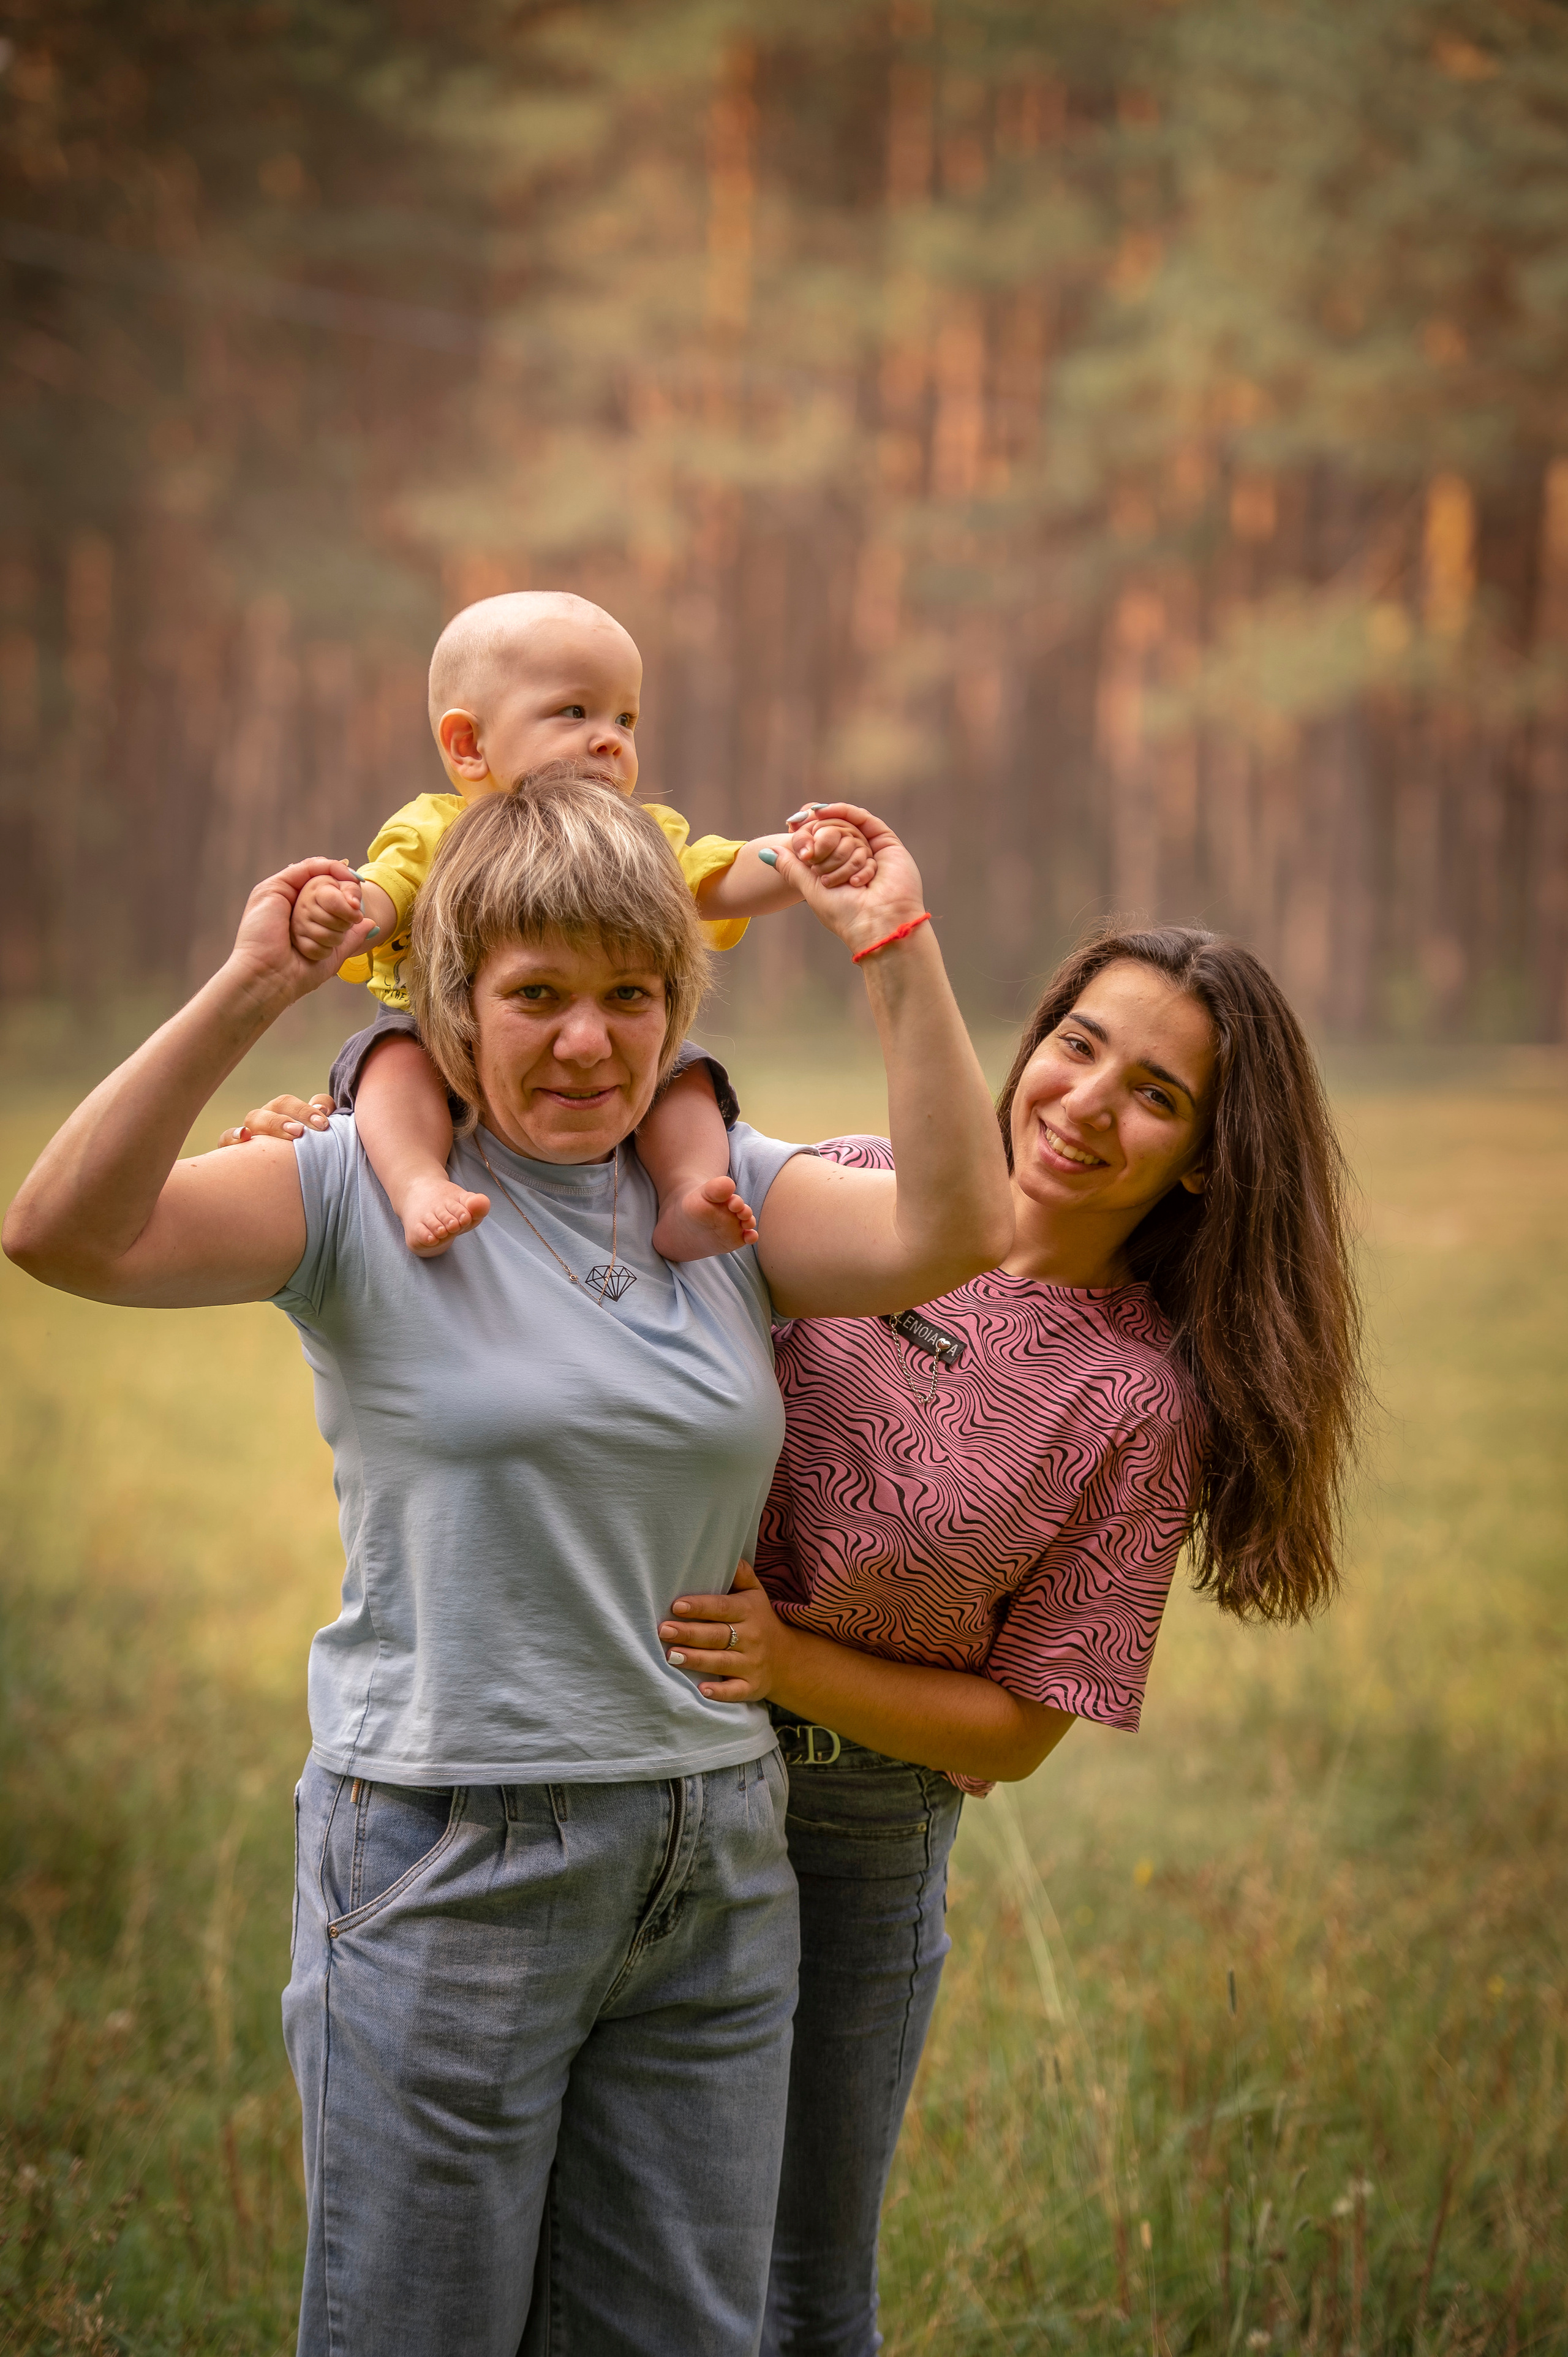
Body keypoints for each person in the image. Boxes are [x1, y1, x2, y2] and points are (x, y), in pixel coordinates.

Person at [2, 776, 1014, 2357]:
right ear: (455, 1003)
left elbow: (955, 1225)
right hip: (452, 1851)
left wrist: (894, 945)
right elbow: (64, 1231)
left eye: (631, 995)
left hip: (712, 1861)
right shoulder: (347, 1187)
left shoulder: (718, 1198)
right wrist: (254, 986)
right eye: (536, 993)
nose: (589, 1042)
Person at [652, 925, 1365, 2356]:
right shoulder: (853, 1189)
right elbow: (623, 1163)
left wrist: (786, 1663)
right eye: (1080, 1044)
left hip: (853, 1835)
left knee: (795, 2286)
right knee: (624, 2242)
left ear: (1207, 1157)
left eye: (1157, 1093)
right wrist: (356, 1134)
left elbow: (1020, 1727)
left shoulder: (1134, 1396)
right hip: (641, 1759)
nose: (1088, 1103)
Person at [286, 587, 875, 1262]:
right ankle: (417, 1183)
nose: (610, 739)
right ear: (468, 743)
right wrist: (343, 909)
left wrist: (805, 854)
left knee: (682, 1076)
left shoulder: (639, 839)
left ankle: (687, 1191)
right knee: (390, 1063)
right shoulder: (437, 828)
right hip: (441, 1037)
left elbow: (720, 876)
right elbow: (389, 885)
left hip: (588, 1063)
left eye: (626, 719)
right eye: (575, 711)